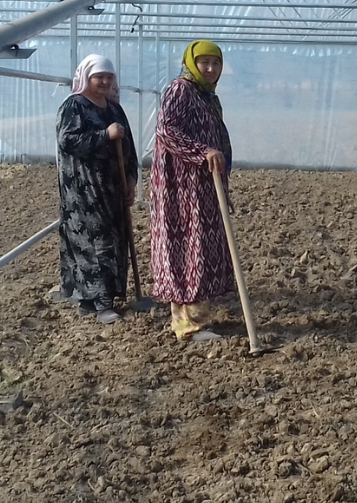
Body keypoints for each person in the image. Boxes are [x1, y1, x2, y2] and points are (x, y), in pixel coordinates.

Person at [150, 40, 234, 342]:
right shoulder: (180, 89)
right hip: (181, 186)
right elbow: (166, 130)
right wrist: (202, 152)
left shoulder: (208, 97)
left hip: (204, 183)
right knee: (188, 247)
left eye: (216, 63)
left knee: (202, 246)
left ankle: (196, 317)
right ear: (191, 63)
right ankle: (187, 325)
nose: (210, 69)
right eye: (204, 62)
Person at [56, 54, 138, 325]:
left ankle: (102, 298)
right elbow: (68, 141)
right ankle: (99, 303)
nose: (104, 81)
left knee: (116, 240)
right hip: (85, 191)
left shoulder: (114, 108)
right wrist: (105, 136)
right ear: (86, 77)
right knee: (94, 242)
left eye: (108, 77)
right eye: (98, 76)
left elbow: (129, 145)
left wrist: (131, 179)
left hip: (114, 188)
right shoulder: (74, 106)